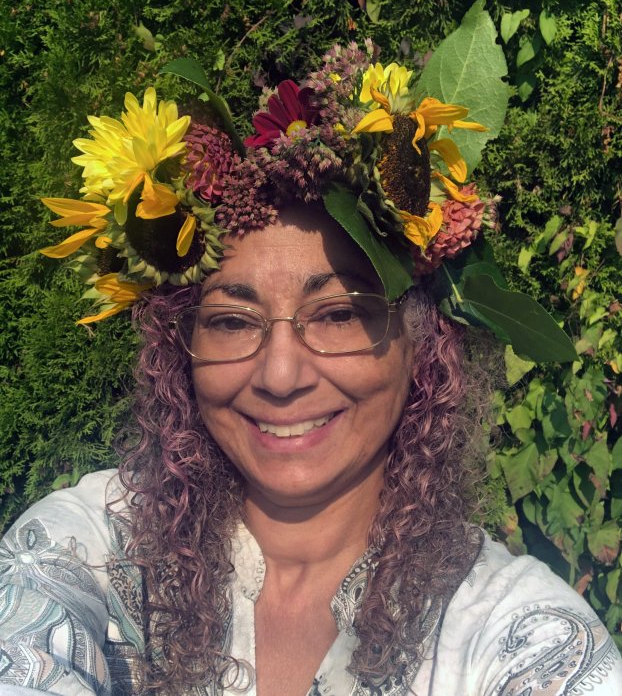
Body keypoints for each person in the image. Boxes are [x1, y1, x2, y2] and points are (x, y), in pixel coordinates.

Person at [1, 40, 621, 695]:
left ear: (423, 343)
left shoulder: (514, 634)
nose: (280, 374)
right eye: (233, 321)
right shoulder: (92, 547)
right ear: (180, 354)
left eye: (338, 315)